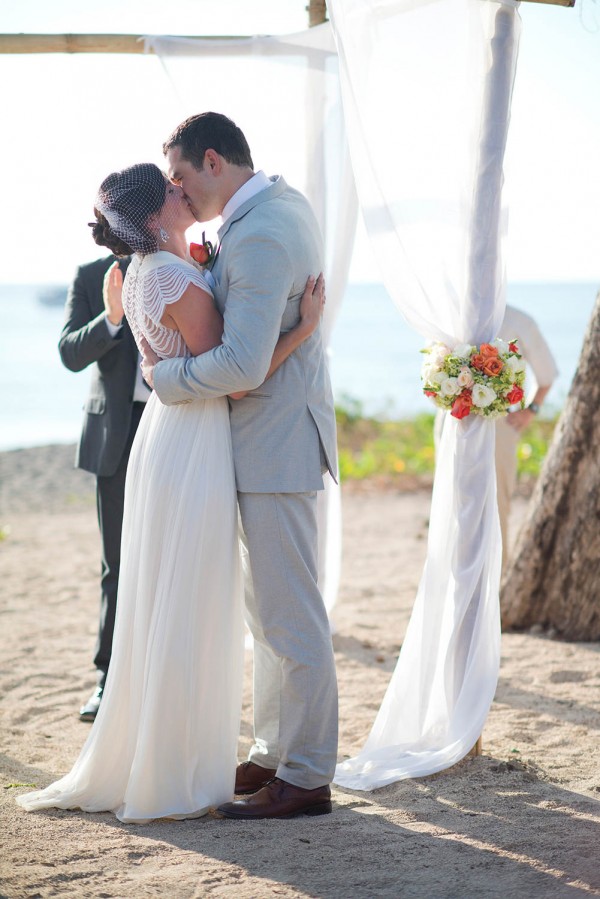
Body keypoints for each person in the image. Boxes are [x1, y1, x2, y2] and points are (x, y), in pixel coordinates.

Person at [17, 162, 324, 823]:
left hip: (175, 435)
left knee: (177, 594)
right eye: (174, 189)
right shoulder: (168, 276)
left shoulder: (158, 269)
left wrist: (167, 367)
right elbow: (236, 379)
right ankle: (183, 762)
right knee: (191, 600)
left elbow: (182, 364)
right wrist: (301, 331)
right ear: (154, 214)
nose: (185, 191)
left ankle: (186, 750)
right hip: (192, 438)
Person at [141, 112, 339, 821]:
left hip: (274, 443)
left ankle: (309, 773)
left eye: (182, 175)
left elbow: (243, 366)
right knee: (269, 614)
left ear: (213, 161)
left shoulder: (258, 234)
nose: (177, 189)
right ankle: (274, 750)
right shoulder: (280, 205)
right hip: (271, 440)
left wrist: (162, 380)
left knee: (292, 618)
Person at [59, 253, 151, 722]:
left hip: (173, 425)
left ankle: (160, 677)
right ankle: (107, 678)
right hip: (114, 433)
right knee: (116, 562)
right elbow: (70, 352)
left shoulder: (185, 262)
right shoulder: (92, 274)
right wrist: (111, 317)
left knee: (168, 560)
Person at [434, 304, 558, 565]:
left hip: (500, 425)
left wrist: (531, 409)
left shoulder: (518, 320)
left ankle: (496, 584)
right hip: (453, 420)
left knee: (498, 502)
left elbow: (546, 373)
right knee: (453, 501)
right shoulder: (451, 316)